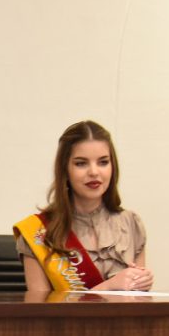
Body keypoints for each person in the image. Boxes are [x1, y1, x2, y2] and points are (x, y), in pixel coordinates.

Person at [13, 120, 152, 292]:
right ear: (65, 170)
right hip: (66, 321)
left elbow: (136, 304)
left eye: (103, 162)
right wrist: (109, 287)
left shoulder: (131, 223)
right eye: (81, 163)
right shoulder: (38, 232)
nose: (94, 172)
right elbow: (41, 311)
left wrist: (141, 283)